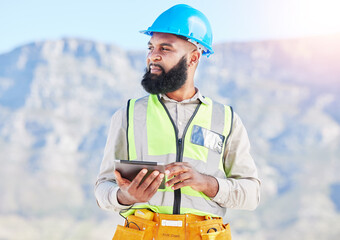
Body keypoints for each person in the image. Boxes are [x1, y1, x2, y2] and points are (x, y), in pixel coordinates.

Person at [95, 4, 260, 240]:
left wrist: (206, 183)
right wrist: (127, 197)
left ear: (193, 57)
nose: (153, 55)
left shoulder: (226, 119)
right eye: (150, 47)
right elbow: (103, 188)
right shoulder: (129, 114)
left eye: (165, 48)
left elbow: (251, 194)